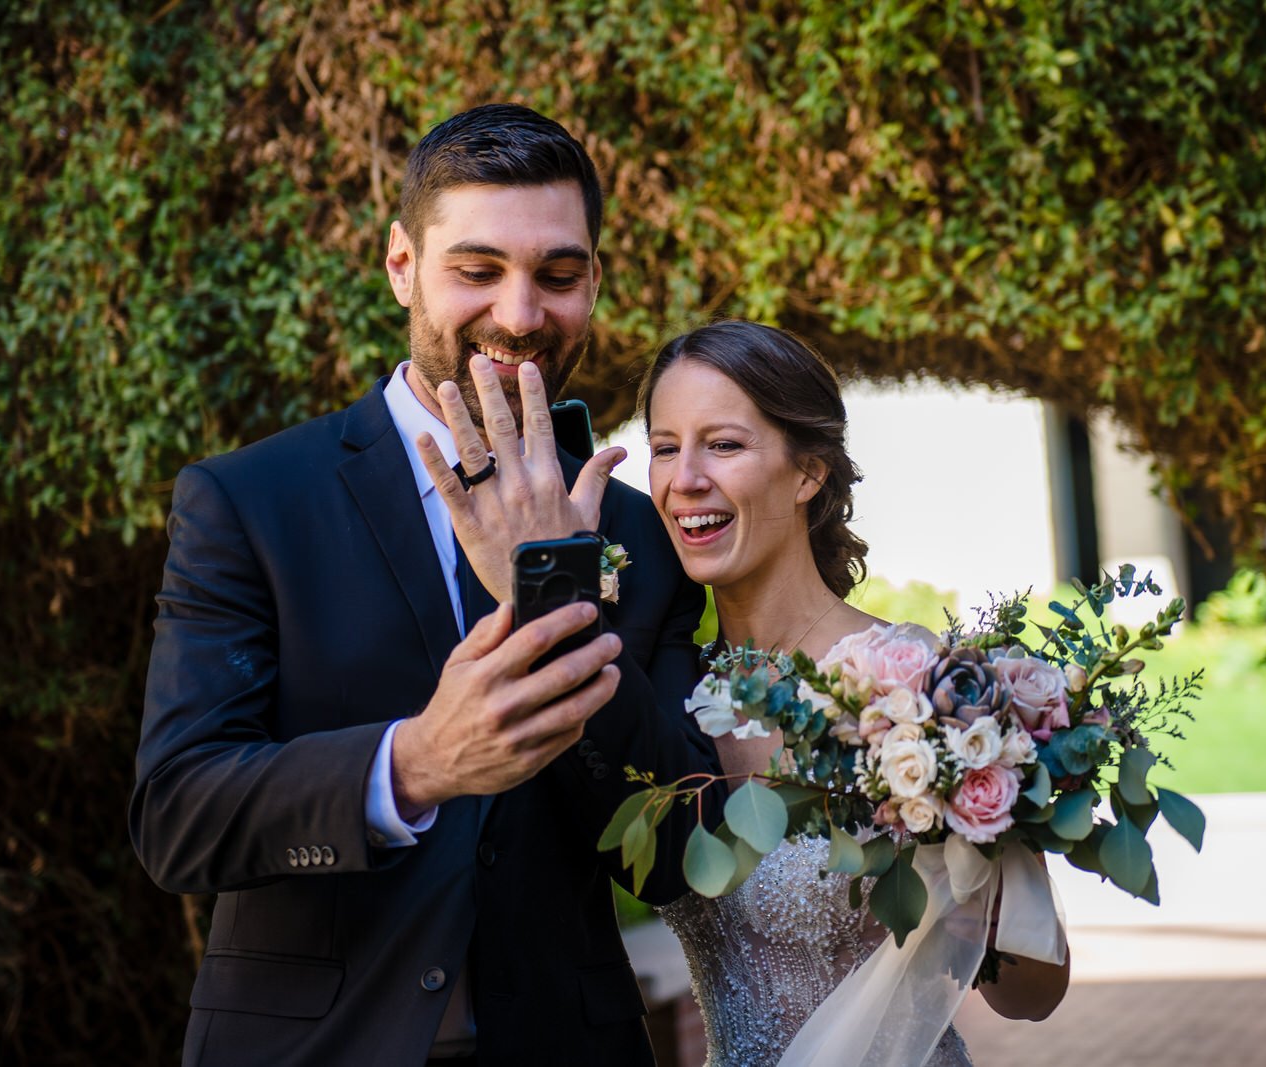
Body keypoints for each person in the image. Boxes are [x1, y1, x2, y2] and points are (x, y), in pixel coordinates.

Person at [129, 103, 721, 1067]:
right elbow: (177, 817)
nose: (521, 315)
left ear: (595, 281)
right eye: (478, 270)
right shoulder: (251, 502)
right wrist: (410, 767)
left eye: (558, 276)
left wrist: (554, 593)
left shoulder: (641, 537)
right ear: (402, 263)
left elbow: (681, 860)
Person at [638, 320, 1072, 1065]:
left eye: (725, 444)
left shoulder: (923, 689)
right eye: (666, 446)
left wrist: (980, 882)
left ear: (809, 472)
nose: (686, 478)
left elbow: (1033, 990)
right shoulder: (664, 692)